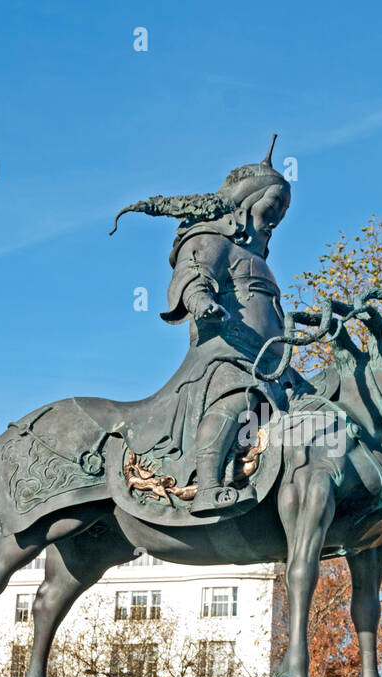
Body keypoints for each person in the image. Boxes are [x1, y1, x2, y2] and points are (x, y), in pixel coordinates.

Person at [111, 136, 300, 515]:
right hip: (224, 355)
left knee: (319, 407)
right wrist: (201, 301)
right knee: (238, 396)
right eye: (273, 205)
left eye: (283, 211)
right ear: (246, 201)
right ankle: (209, 487)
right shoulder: (212, 240)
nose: (276, 217)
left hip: (271, 364)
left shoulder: (258, 260)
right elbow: (192, 276)